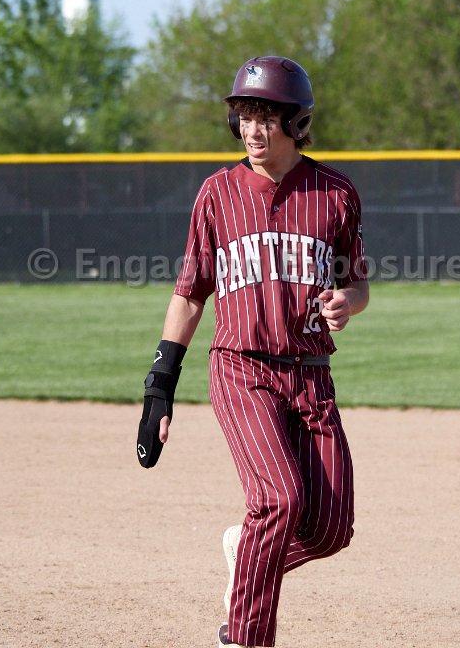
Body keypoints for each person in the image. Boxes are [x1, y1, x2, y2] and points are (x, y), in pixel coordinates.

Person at [136, 56, 370, 647]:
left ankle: (247, 553)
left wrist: (347, 302)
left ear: (297, 122)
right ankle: (243, 638)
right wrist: (160, 386)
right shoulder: (218, 193)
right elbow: (190, 294)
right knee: (277, 500)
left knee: (331, 528)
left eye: (266, 117)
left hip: (311, 374)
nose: (252, 130)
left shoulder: (335, 193)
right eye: (244, 116)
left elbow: (357, 284)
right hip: (242, 368)